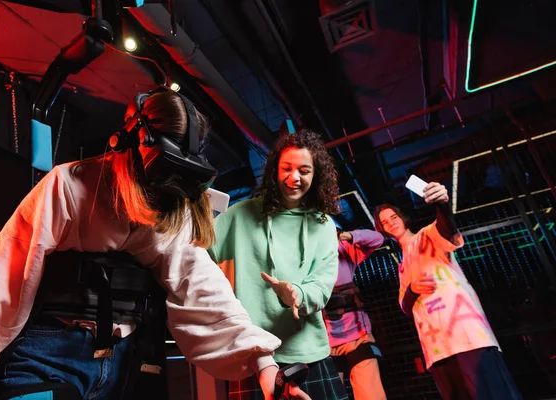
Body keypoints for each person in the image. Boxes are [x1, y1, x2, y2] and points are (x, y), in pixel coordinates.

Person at [0, 89, 304, 400]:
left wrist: (265, 366)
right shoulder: (67, 187)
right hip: (49, 355)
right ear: (126, 143)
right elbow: (5, 281)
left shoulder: (172, 207)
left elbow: (202, 289)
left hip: (121, 362)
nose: (161, 189)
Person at [208, 128, 349, 400]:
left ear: (315, 174)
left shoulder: (322, 226)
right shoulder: (240, 215)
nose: (294, 177)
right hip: (254, 352)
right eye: (287, 168)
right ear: (275, 170)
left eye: (304, 171)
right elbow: (198, 255)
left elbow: (321, 286)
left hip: (307, 351)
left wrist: (296, 293)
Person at [373, 182, 522, 400]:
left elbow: (446, 227)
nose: (391, 223)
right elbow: (404, 305)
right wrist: (413, 290)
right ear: (382, 230)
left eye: (393, 217)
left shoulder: (427, 235)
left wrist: (442, 204)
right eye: (385, 222)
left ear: (402, 217)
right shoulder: (402, 265)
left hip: (467, 337)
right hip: (436, 349)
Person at [324, 227, 387, 400]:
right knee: (331, 394)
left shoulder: (344, 250)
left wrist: (350, 236)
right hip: (326, 342)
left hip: (357, 336)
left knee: (370, 393)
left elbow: (377, 239)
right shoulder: (306, 258)